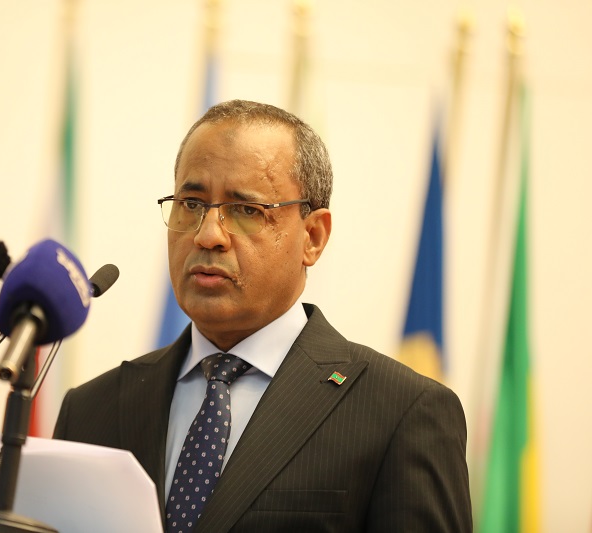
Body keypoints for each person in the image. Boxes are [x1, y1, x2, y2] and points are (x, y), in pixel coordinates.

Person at [54, 99, 472, 532]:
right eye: (191, 204)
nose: (208, 235)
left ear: (313, 237)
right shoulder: (90, 410)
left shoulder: (401, 413)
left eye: (246, 211)